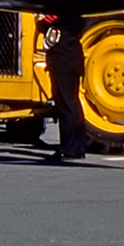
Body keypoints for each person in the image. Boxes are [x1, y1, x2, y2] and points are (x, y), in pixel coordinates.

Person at [45, 14, 87, 161]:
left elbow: (45, 24)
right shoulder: (79, 15)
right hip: (72, 60)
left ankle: (68, 148)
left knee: (65, 105)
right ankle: (77, 147)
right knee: (73, 105)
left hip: (63, 61)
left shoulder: (65, 14)